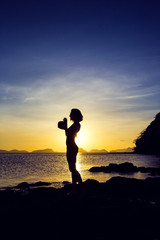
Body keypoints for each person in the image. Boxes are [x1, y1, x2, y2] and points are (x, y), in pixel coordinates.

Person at [58, 108, 84, 195]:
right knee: (73, 169)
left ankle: (82, 188)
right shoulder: (74, 124)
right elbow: (67, 133)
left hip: (72, 148)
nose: (69, 116)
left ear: (75, 115)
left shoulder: (77, 125)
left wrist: (65, 125)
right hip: (70, 148)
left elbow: (69, 133)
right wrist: (65, 126)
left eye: (71, 114)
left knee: (72, 169)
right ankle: (74, 189)